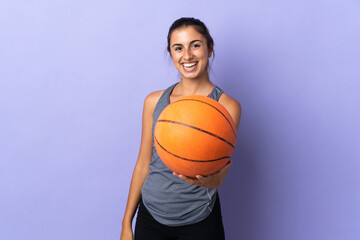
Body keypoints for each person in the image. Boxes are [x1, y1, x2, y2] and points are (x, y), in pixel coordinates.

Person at [120, 17, 241, 240]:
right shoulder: (154, 102)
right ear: (172, 54)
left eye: (195, 45)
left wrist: (205, 180)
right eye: (178, 48)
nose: (187, 55)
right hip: (150, 216)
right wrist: (127, 222)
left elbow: (221, 175)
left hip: (199, 219)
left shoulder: (226, 106)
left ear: (209, 48)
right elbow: (143, 164)